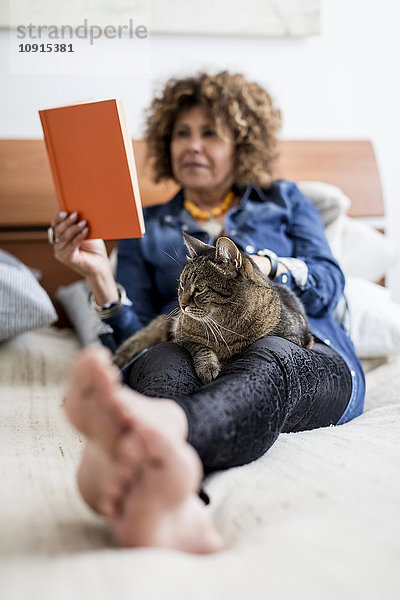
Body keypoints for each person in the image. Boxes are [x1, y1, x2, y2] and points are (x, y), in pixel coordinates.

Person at [51, 71, 365, 554]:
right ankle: (169, 494)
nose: (192, 145)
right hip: (192, 350)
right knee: (160, 362)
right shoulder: (146, 225)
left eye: (210, 133)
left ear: (242, 143)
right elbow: (133, 336)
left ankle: (154, 438)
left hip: (303, 351)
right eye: (182, 133)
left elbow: (330, 284)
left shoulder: (284, 200)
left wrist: (269, 265)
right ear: (166, 142)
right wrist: (98, 279)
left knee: (270, 355)